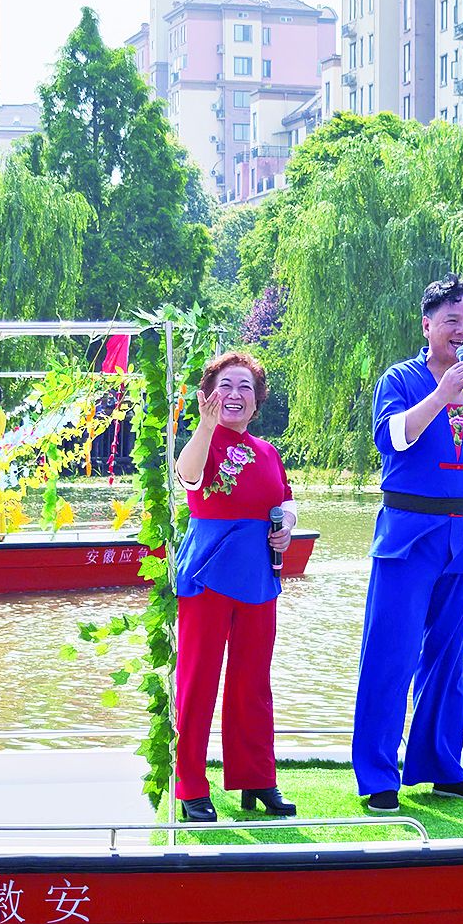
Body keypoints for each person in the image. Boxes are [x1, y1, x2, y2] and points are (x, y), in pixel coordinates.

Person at [353, 276, 463, 813]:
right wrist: (441, 396)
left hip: (462, 538)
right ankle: (377, 777)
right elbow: (391, 437)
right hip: (407, 534)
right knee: (390, 655)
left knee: (448, 656)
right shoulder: (400, 379)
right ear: (427, 326)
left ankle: (441, 767)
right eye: (451, 321)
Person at [170, 351, 298, 824]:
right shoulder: (202, 442)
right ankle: (190, 784)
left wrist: (287, 527)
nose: (235, 395)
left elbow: (285, 501)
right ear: (209, 395)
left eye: (246, 387)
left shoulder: (268, 452)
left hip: (258, 577)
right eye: (225, 385)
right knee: (198, 680)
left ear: (257, 400)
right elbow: (188, 476)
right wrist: (204, 428)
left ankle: (256, 778)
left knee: (253, 682)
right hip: (208, 575)